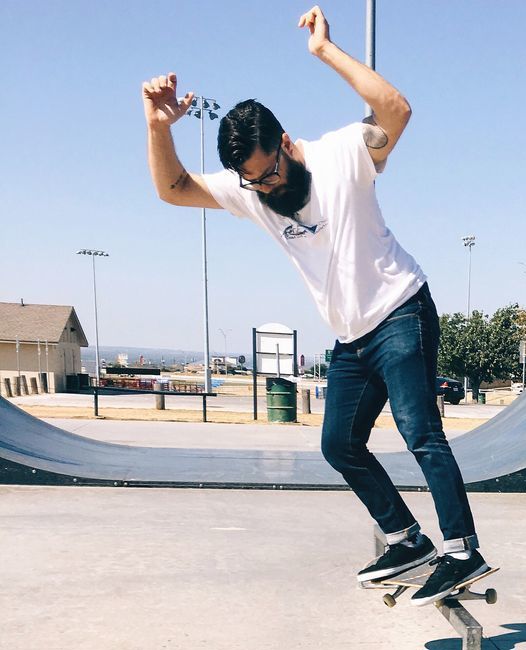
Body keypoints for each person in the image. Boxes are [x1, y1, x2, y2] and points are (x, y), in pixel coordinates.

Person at [141, 5, 489, 606]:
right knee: (338, 445)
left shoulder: (342, 153)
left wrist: (324, 52)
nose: (266, 189)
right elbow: (172, 190)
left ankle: (462, 550)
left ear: (284, 143)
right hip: (352, 339)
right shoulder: (251, 194)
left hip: (401, 310)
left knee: (418, 430)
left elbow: (397, 110)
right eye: (253, 182)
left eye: (269, 174)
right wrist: (158, 126)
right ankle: (407, 540)